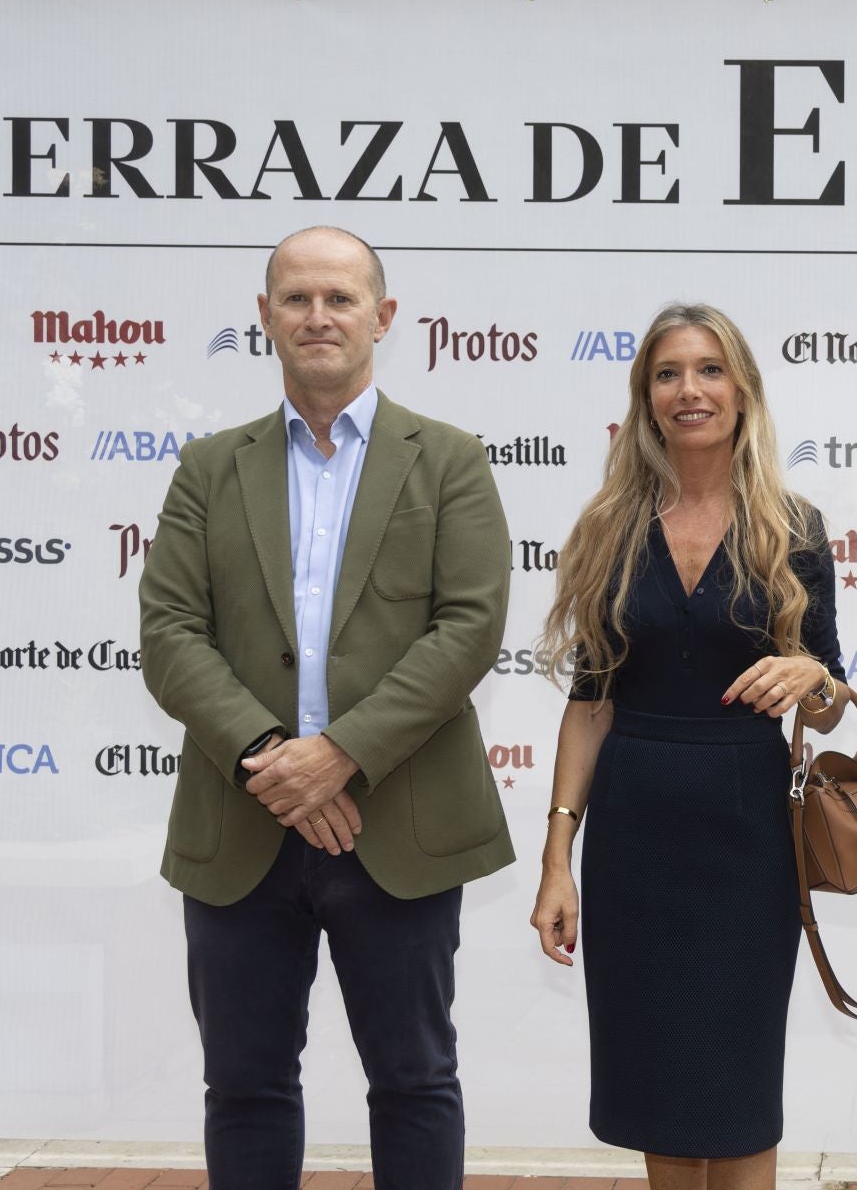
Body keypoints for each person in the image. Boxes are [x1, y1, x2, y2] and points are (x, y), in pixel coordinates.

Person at [138, 226, 514, 1187]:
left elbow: (466, 631)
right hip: (242, 826)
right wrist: (277, 758)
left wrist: (338, 754)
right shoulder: (207, 469)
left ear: (383, 318)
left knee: (415, 1082)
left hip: (399, 825)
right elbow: (172, 635)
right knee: (246, 1089)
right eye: (297, 298)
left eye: (340, 299)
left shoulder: (452, 462)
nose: (318, 317)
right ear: (263, 317)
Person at [529, 302, 851, 1190]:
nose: (690, 390)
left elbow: (827, 701)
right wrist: (559, 857)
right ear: (646, 400)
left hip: (749, 836)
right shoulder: (609, 528)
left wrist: (807, 678)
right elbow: (589, 707)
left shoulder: (794, 525)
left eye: (710, 370)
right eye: (668, 374)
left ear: (742, 390)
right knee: (661, 1091)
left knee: (741, 1093)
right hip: (634, 834)